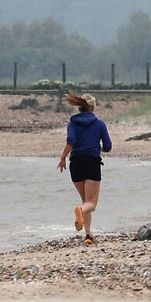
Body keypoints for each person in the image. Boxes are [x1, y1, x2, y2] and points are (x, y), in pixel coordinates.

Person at [57, 92, 112, 245]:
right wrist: (99, 147)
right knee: (91, 204)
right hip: (91, 162)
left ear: (80, 107)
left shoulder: (72, 124)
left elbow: (71, 141)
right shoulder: (99, 124)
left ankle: (88, 235)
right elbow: (108, 146)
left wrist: (62, 157)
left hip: (75, 163)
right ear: (92, 107)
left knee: (85, 201)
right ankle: (80, 212)